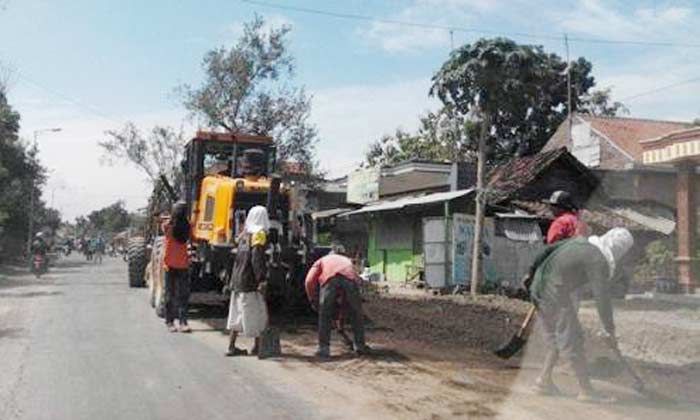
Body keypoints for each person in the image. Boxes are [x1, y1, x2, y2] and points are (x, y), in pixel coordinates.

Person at [528, 228, 634, 403]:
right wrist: (609, 329)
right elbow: (602, 296)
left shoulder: (577, 242)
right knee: (573, 338)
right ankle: (586, 391)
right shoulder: (597, 259)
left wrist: (530, 273)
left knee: (554, 339)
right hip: (555, 293)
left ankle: (543, 382)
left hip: (538, 289)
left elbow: (546, 250)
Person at [305, 244, 370, 359]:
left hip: (330, 279)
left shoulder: (322, 260)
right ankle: (360, 346)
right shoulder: (347, 261)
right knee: (356, 313)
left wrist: (312, 299)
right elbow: (355, 283)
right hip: (350, 279)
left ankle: (323, 349)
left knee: (324, 315)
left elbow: (309, 280)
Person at [226, 206, 270, 356]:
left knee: (237, 314)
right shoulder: (259, 235)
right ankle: (258, 347)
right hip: (249, 282)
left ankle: (231, 346)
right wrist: (261, 279)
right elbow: (257, 258)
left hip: (237, 281)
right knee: (256, 313)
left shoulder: (244, 235)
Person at [162, 202, 192, 333]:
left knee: (170, 294)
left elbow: (165, 227)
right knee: (183, 295)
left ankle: (170, 322)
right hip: (182, 265)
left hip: (170, 264)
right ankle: (183, 322)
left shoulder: (168, 226)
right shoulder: (187, 227)